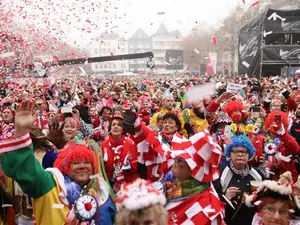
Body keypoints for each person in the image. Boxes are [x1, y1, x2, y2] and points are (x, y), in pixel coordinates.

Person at [0, 100, 115, 225]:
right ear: (65, 166)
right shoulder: (52, 185)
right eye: (75, 163)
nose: (82, 166)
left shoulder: (102, 191)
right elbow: (30, 174)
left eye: (87, 162)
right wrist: (21, 132)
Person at [214, 135, 264, 225]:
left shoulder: (257, 174)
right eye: (236, 151)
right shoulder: (221, 174)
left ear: (249, 154)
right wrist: (225, 198)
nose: (240, 154)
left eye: (244, 152)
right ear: (230, 154)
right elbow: (213, 200)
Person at [101, 114, 138, 192]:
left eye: (119, 125)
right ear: (110, 128)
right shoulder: (103, 144)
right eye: (113, 125)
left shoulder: (131, 143)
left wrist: (127, 164)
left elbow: (134, 168)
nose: (116, 127)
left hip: (127, 184)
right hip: (108, 184)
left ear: (123, 129)